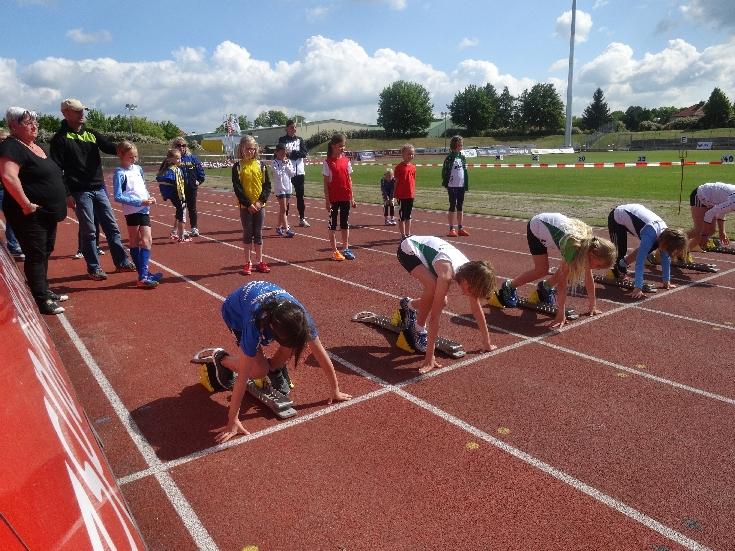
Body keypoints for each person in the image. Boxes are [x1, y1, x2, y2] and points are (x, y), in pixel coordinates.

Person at [213, 280, 352, 442]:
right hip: (236, 311)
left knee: (292, 345)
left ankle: (274, 369)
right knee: (258, 371)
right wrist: (232, 420)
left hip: (267, 305)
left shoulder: (301, 318)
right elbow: (242, 376)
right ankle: (221, 359)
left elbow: (320, 353)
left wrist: (335, 389)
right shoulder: (253, 325)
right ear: (272, 328)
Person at [50, 98, 136, 280]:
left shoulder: (91, 134)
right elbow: (57, 169)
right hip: (79, 191)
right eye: (77, 111)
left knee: (112, 227)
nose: (82, 114)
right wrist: (67, 194)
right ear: (65, 113)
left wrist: (125, 148)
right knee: (89, 231)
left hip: (99, 188)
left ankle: (121, 262)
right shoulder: (60, 139)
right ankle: (94, 268)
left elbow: (111, 147)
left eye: (83, 110)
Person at [0, 107, 69, 314]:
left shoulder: (35, 146)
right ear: (13, 126)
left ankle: (44, 290)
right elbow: (8, 176)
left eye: (35, 122)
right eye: (28, 122)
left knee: (45, 251)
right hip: (29, 214)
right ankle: (41, 299)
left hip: (46, 213)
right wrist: (26, 204)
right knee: (36, 254)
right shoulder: (11, 146)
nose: (34, 126)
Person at [397, 235, 497, 374]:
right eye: (471, 291)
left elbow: (476, 309)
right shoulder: (446, 275)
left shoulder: (471, 271)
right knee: (433, 287)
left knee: (441, 299)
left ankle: (409, 305)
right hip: (408, 250)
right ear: (467, 281)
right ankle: (418, 330)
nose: (468, 294)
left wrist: (487, 342)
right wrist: (429, 357)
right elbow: (434, 318)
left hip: (435, 257)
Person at [496, 213, 616, 328]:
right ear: (593, 254)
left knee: (568, 268)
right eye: (598, 265)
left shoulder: (588, 247)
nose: (597, 269)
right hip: (537, 226)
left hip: (555, 226)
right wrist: (560, 314)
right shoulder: (573, 247)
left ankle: (545, 287)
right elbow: (562, 284)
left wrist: (592, 305)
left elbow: (589, 277)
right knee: (542, 270)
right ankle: (509, 286)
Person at [607, 203, 687, 299]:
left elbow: (666, 258)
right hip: (617, 216)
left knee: (650, 248)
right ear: (667, 242)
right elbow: (639, 262)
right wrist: (638, 287)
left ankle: (622, 263)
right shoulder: (650, 235)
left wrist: (666, 281)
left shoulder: (666, 235)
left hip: (634, 214)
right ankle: (617, 270)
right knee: (619, 250)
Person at [112, 141, 162, 288]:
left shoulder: (138, 169)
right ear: (121, 155)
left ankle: (143, 275)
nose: (134, 159)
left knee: (147, 240)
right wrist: (139, 202)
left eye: (136, 156)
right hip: (132, 211)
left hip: (144, 209)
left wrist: (149, 197)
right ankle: (143, 276)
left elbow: (142, 186)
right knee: (134, 241)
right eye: (131, 157)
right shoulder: (120, 173)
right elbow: (118, 196)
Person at [232, 135, 271, 274]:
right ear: (242, 149)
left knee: (258, 233)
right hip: (245, 207)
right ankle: (247, 262)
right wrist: (248, 204)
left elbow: (267, 186)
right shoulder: (237, 166)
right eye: (248, 148)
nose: (251, 151)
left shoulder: (261, 165)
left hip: (260, 206)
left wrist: (260, 202)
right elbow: (238, 188)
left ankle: (259, 261)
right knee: (248, 234)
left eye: (253, 149)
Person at [323, 133, 356, 261]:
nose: (343, 148)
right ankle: (334, 251)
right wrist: (327, 201)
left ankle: (346, 248)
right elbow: (326, 184)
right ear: (333, 146)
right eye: (340, 146)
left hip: (345, 197)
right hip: (333, 198)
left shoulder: (346, 161)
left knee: (344, 223)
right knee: (333, 224)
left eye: (344, 145)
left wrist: (352, 197)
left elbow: (349, 180)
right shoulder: (327, 162)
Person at [278, 120, 309, 227]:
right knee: (286, 197)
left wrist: (293, 152)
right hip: (286, 172)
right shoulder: (282, 140)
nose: (294, 129)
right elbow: (282, 153)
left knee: (300, 197)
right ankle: (285, 221)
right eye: (291, 127)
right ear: (286, 128)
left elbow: (304, 153)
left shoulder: (300, 140)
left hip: (299, 172)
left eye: (295, 127)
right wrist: (292, 154)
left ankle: (302, 219)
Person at [172, 138, 205, 237]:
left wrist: (199, 181)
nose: (181, 147)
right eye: (178, 145)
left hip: (191, 188)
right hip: (179, 189)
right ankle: (178, 230)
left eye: (183, 145)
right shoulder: (172, 159)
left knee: (192, 208)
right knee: (181, 209)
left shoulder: (192, 158)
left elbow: (201, 172)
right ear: (174, 146)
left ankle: (194, 228)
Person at [156, 148, 190, 242]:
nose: (180, 160)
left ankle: (174, 232)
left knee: (179, 212)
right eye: (178, 158)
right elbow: (179, 186)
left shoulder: (164, 170)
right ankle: (181, 237)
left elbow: (161, 183)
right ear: (171, 159)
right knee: (182, 216)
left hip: (171, 196)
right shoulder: (176, 170)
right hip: (178, 196)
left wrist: (164, 195)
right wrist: (183, 198)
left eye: (180, 158)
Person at [687, 182, 735, 250]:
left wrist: (722, 231)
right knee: (698, 230)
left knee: (711, 230)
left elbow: (722, 211)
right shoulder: (733, 202)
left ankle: (688, 249)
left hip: (713, 199)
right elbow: (709, 214)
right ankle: (674, 239)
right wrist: (704, 235)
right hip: (701, 194)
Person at [0, 128, 24, 259]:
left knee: (12, 217)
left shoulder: (10, 153)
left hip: (7, 189)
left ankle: (13, 245)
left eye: (6, 139)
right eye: (2, 139)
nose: (4, 142)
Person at [443, 135, 470, 237]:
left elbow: (464, 171)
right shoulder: (449, 157)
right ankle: (451, 228)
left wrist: (465, 184)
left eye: (461, 145)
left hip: (461, 185)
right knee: (452, 205)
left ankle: (460, 228)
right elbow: (445, 171)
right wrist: (446, 183)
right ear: (454, 145)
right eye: (459, 145)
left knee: (460, 206)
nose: (460, 146)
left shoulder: (462, 157)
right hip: (452, 185)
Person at [271, 142, 295, 238]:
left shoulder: (288, 161)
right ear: (276, 152)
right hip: (280, 188)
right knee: (284, 208)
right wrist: (283, 166)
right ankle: (287, 229)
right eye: (281, 153)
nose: (283, 155)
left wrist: (287, 165)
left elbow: (292, 173)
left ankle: (278, 227)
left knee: (283, 209)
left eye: (284, 153)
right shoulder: (274, 163)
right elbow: (277, 174)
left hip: (288, 187)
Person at [394, 144, 416, 239]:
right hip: (401, 195)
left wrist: (413, 192)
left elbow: (413, 180)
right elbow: (396, 182)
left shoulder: (413, 167)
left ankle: (408, 233)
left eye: (412, 154)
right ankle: (403, 235)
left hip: (410, 195)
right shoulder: (399, 167)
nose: (411, 156)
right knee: (402, 216)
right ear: (403, 154)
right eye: (409, 154)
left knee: (409, 215)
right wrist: (394, 195)